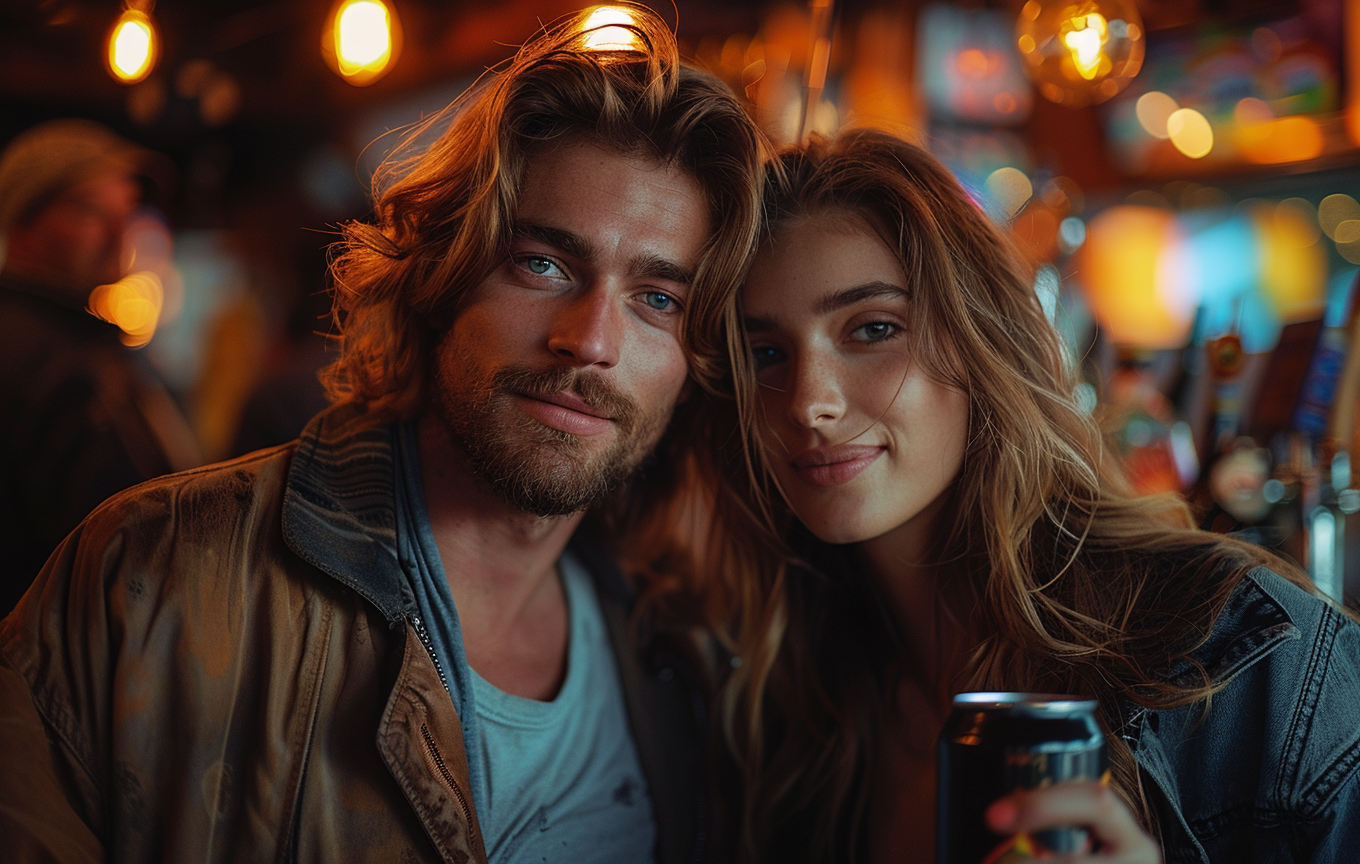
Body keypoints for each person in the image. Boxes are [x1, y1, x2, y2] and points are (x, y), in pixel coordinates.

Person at [0, 7, 767, 863]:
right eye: (542, 263)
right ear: (442, 277)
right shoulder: (153, 575)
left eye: (658, 298)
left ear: (697, 357)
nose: (591, 340)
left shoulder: (680, 654)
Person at [677, 129, 1360, 863]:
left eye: (873, 329)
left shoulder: (1243, 652)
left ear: (982, 341)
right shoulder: (775, 695)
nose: (809, 402)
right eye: (766, 353)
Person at [0, 119, 202, 614]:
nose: (120, 236)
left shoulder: (86, 342)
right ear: (21, 223)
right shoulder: (36, 354)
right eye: (92, 212)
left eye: (128, 212)